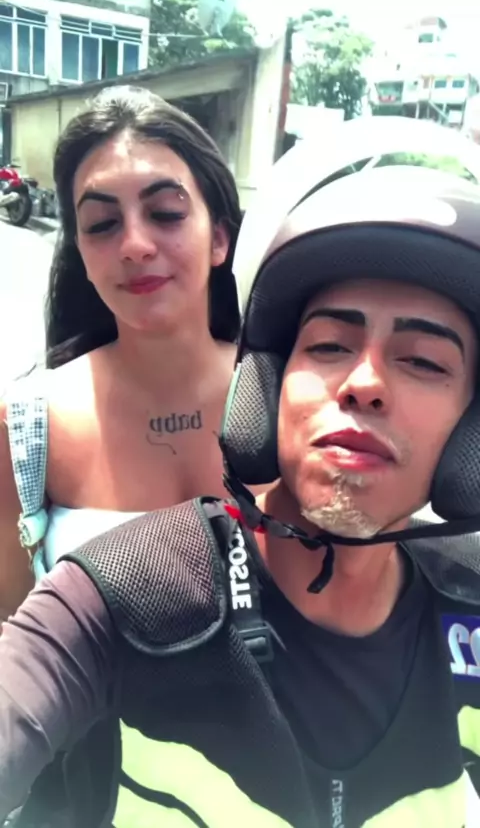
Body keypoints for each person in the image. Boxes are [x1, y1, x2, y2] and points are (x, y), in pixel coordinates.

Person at [2, 123, 480, 828]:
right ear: (269, 391)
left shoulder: (467, 602)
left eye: (424, 361)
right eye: (330, 345)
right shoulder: (121, 590)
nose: (365, 382)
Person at [0, 84, 241, 620]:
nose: (134, 244)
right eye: (102, 224)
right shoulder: (26, 426)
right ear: (81, 254)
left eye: (166, 212)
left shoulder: (292, 400)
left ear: (219, 238)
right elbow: (12, 636)